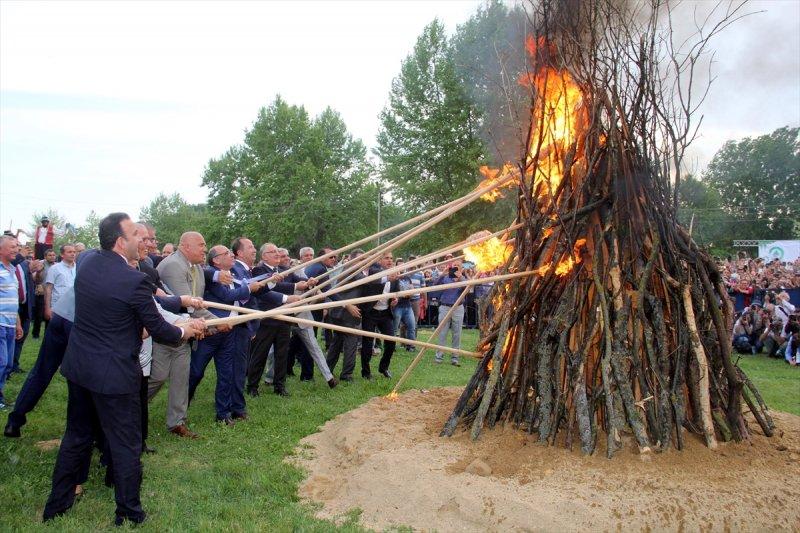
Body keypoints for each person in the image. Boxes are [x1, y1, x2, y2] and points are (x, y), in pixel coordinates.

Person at [41, 212, 202, 526]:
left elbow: (113, 313)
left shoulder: (86, 265)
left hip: (80, 368)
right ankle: (128, 513)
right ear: (119, 241)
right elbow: (160, 329)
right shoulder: (134, 280)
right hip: (114, 376)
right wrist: (186, 329)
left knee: (76, 436)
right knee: (126, 443)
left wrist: (142, 326)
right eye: (134, 235)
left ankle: (56, 506)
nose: (141, 240)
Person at [148, 231, 223, 438]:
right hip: (168, 331)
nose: (205, 249)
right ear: (185, 246)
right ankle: (130, 407)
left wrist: (203, 324)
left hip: (187, 331)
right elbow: (186, 303)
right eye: (201, 245)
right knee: (158, 376)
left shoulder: (196, 267)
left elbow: (197, 301)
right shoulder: (173, 265)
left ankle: (176, 422)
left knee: (182, 376)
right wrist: (216, 322)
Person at [190, 245, 265, 424]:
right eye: (227, 254)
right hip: (211, 332)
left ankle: (223, 414)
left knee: (227, 374)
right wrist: (249, 289)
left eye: (231, 253)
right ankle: (182, 403)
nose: (232, 256)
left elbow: (242, 290)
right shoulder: (211, 276)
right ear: (216, 260)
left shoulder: (233, 274)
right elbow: (226, 296)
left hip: (229, 332)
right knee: (196, 371)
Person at [247, 243, 307, 397]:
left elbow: (286, 284)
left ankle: (279, 385)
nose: (277, 254)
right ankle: (252, 386)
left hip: (284, 318)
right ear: (264, 256)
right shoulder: (259, 270)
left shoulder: (281, 271)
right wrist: (288, 297)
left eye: (277, 251)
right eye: (272, 252)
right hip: (268, 318)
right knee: (261, 353)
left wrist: (302, 284)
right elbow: (266, 291)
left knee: (282, 353)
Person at [326, 249, 367, 381]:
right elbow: (366, 281)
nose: (364, 262)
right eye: (361, 259)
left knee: (337, 342)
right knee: (351, 341)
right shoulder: (352, 270)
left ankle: (327, 368)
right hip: (345, 313)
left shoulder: (353, 270)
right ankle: (347, 374)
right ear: (352, 259)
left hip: (340, 312)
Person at [359, 252, 399, 379]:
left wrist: (394, 299)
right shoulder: (374, 270)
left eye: (391, 258)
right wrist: (388, 277)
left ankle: (384, 368)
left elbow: (395, 291)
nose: (389, 260)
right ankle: (366, 372)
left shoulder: (394, 272)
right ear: (379, 260)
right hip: (371, 313)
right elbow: (374, 281)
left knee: (391, 342)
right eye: (386, 258)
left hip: (385, 313)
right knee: (368, 343)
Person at [0, 235, 25, 409]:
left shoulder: (12, 270)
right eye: (12, 247)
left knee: (8, 364)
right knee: (1, 362)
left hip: (10, 324)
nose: (16, 249)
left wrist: (17, 323)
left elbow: (14, 300)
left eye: (17, 246)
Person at [434, 262, 468, 366]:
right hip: (444, 307)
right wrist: (443, 273)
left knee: (457, 333)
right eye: (454, 266)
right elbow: (435, 284)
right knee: (442, 332)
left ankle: (455, 357)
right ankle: (439, 356)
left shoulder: (464, 279)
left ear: (461, 268)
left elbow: (468, 288)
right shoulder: (446, 278)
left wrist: (460, 277)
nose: (455, 268)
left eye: (458, 266)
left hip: (458, 308)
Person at [44, 244, 77, 322]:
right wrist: (47, 308)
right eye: (69, 252)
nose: (73, 254)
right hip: (57, 308)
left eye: (74, 252)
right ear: (62, 254)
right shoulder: (54, 268)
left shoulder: (78, 268)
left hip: (74, 308)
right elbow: (48, 289)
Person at [32, 249, 56, 338]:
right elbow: (35, 279)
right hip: (41, 292)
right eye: (50, 255)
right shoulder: (40, 264)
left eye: (53, 255)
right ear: (45, 257)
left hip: (52, 294)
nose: (52, 257)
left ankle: (47, 334)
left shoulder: (57, 266)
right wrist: (39, 271)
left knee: (50, 315)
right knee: (39, 314)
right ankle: (35, 334)